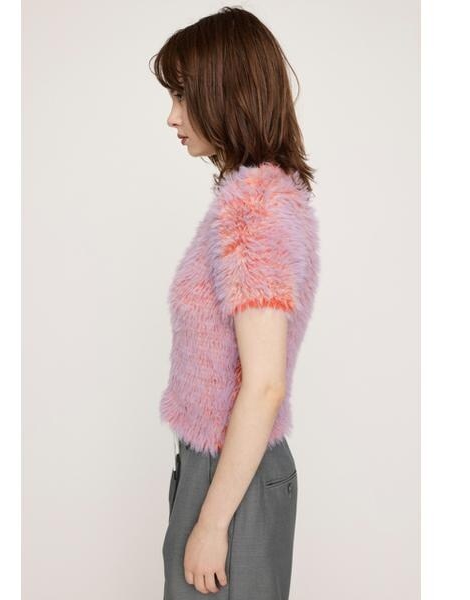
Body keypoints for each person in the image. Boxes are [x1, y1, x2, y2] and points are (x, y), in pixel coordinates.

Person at [149, 6, 320, 599]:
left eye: (182, 95)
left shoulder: (257, 209)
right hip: (220, 469)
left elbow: (265, 383)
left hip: (231, 481)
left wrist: (212, 522)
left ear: (225, 92)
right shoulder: (254, 200)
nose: (171, 116)